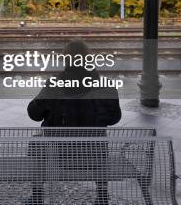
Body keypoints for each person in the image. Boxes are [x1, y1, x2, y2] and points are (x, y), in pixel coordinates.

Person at [25, 39, 121, 205]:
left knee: (37, 143)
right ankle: (102, 196)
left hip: (57, 156)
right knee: (100, 140)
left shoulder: (53, 85)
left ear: (65, 60)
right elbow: (114, 118)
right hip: (93, 157)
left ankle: (37, 195)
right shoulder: (105, 86)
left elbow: (34, 114)